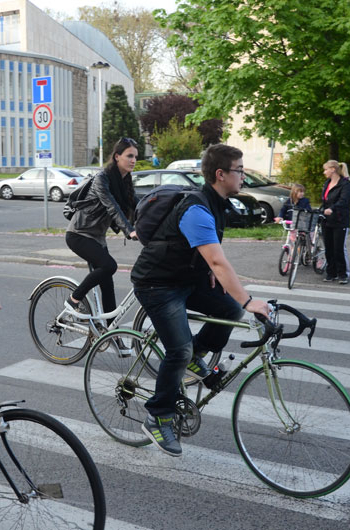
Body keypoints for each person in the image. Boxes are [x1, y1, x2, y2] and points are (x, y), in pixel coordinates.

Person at [131, 143, 269, 457]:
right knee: (178, 349)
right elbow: (219, 261)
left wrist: (214, 278)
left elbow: (206, 254)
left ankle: (196, 355)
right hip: (157, 284)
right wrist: (249, 301)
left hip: (186, 278)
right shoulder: (196, 208)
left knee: (228, 308)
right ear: (221, 174)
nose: (243, 175)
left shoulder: (217, 203)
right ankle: (157, 415)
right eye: (239, 170)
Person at [65, 137, 138, 321]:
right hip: (79, 234)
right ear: (117, 157)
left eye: (135, 157)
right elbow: (112, 206)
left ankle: (111, 331)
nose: (133, 160)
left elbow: (137, 206)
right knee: (109, 266)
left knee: (108, 286)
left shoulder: (125, 181)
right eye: (129, 156)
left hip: (97, 238)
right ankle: (74, 299)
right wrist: (129, 230)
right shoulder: (102, 178)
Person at [321, 159, 350, 284]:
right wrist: (321, 210)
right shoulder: (327, 183)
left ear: (333, 169)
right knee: (328, 248)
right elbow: (325, 201)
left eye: (326, 169)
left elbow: (343, 201)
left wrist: (332, 209)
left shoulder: (345, 184)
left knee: (338, 248)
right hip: (326, 220)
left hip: (340, 220)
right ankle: (331, 273)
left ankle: (342, 274)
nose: (324, 172)